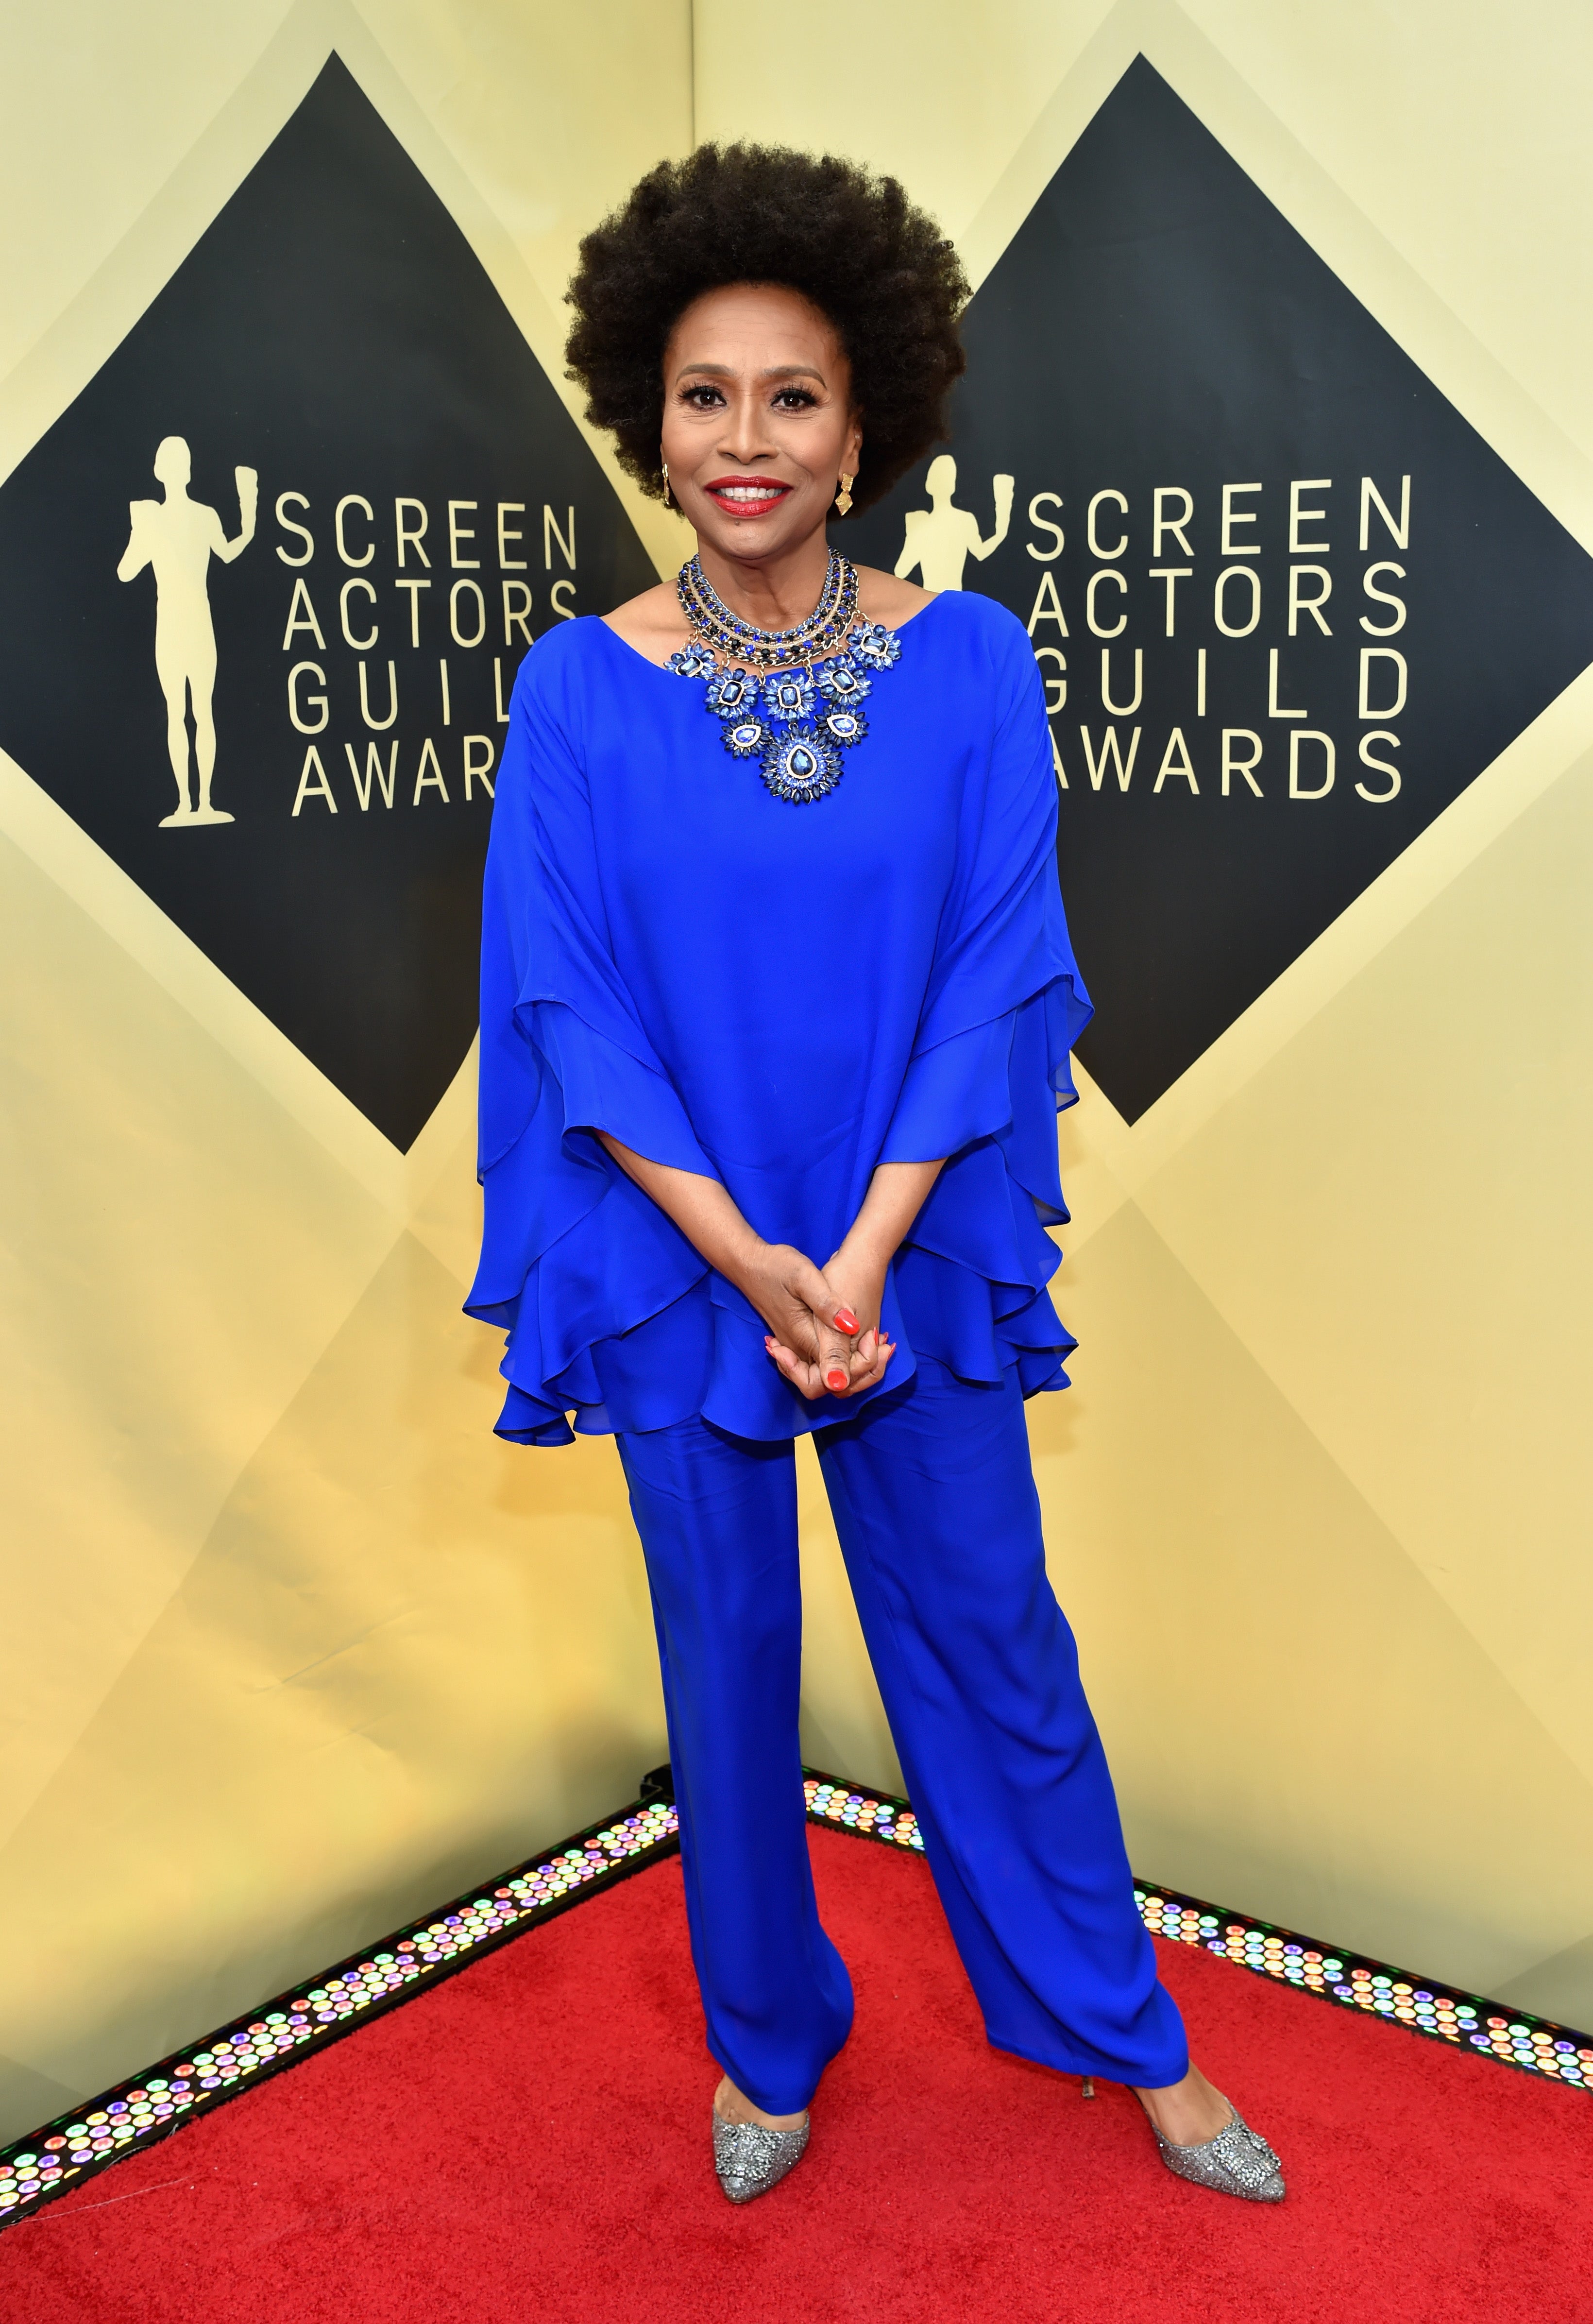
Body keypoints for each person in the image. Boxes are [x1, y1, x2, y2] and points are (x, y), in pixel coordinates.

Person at [467, 143, 1284, 2209]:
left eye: (792, 396)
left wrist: (857, 1252)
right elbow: (569, 1007)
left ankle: (1125, 2028)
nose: (743, 439)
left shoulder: (976, 663)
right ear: (649, 416)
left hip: (906, 1250)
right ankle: (768, 2041)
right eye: (704, 395)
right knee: (726, 1675)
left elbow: (995, 969)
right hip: (683, 1263)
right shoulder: (575, 689)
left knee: (996, 1641)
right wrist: (750, 1259)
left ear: (864, 427)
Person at [116, 435, 256, 827]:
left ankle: (195, 804)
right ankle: (192, 803)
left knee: (186, 714)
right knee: (190, 714)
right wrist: (249, 516)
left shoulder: (183, 517)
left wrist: (140, 529)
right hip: (183, 624)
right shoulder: (173, 518)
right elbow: (126, 571)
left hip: (187, 624)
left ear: (161, 471)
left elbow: (125, 571)